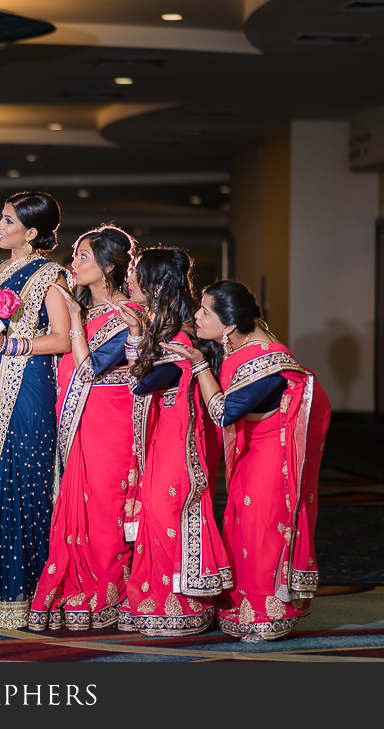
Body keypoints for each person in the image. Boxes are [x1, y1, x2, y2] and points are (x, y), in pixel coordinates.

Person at [159, 280, 331, 641]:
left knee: (262, 527)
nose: (197, 316)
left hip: (271, 456)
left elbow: (222, 412)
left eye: (206, 312)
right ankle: (245, 603)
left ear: (231, 325)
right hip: (252, 450)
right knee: (241, 523)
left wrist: (200, 366)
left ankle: (268, 610)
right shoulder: (241, 343)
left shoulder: (265, 362)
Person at [108, 247, 232, 637]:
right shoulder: (167, 327)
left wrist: (133, 335)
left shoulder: (180, 335)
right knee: (158, 510)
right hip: (169, 432)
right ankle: (158, 599)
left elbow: (142, 382)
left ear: (157, 285)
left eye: (135, 274)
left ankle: (181, 603)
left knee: (168, 511)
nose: (128, 281)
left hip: (182, 438)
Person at [28, 225, 141, 631]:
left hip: (111, 417)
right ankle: (74, 579)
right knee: (74, 499)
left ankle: (108, 585)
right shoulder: (82, 307)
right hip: (73, 416)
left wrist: (74, 319)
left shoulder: (129, 314)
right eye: (74, 255)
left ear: (109, 266)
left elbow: (90, 368)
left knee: (105, 502)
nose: (73, 264)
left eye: (83, 257)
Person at [0, 191, 71, 630]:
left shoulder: (52, 276)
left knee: (24, 479)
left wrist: (14, 344)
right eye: (1, 219)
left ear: (31, 233)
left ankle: (21, 591)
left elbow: (63, 338)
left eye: (8, 221)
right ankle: (5, 588)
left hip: (28, 387)